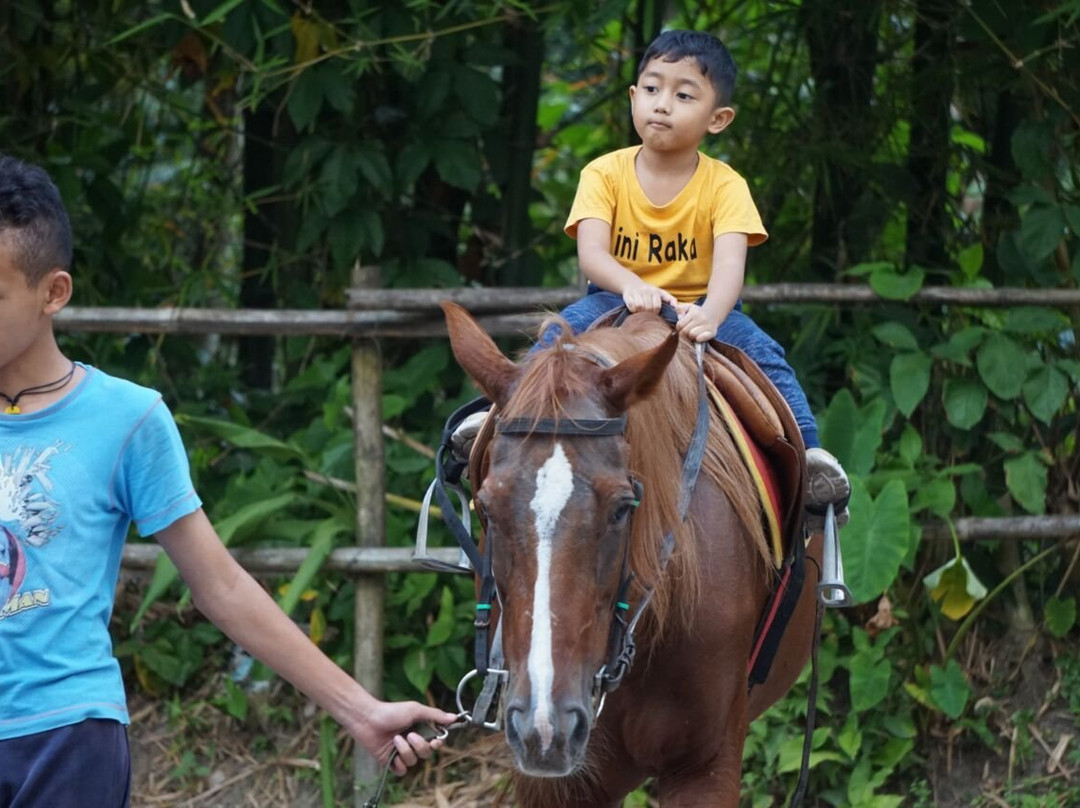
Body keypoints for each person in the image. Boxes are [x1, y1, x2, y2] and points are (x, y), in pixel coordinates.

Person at [0, 153, 456, 807]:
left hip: (66, 739)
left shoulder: (127, 420)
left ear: (54, 292)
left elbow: (221, 585)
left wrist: (359, 711)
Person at [454, 29, 849, 525]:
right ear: (633, 97)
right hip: (615, 301)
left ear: (718, 119)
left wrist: (710, 314)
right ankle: (494, 422)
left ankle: (811, 459)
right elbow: (592, 253)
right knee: (553, 345)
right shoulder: (604, 173)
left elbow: (730, 266)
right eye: (652, 88)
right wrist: (629, 285)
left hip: (697, 308)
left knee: (767, 359)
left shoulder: (726, 185)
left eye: (684, 95)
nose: (663, 104)